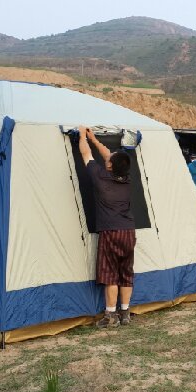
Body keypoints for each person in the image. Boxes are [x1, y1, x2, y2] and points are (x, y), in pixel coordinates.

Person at [77, 126, 136, 328]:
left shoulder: (100, 177)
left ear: (109, 166)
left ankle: (110, 316)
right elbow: (110, 157)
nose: (107, 158)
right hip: (128, 231)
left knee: (110, 273)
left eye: (110, 159)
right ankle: (125, 312)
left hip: (110, 231)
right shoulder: (127, 179)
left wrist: (83, 135)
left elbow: (85, 153)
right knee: (126, 272)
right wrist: (95, 139)